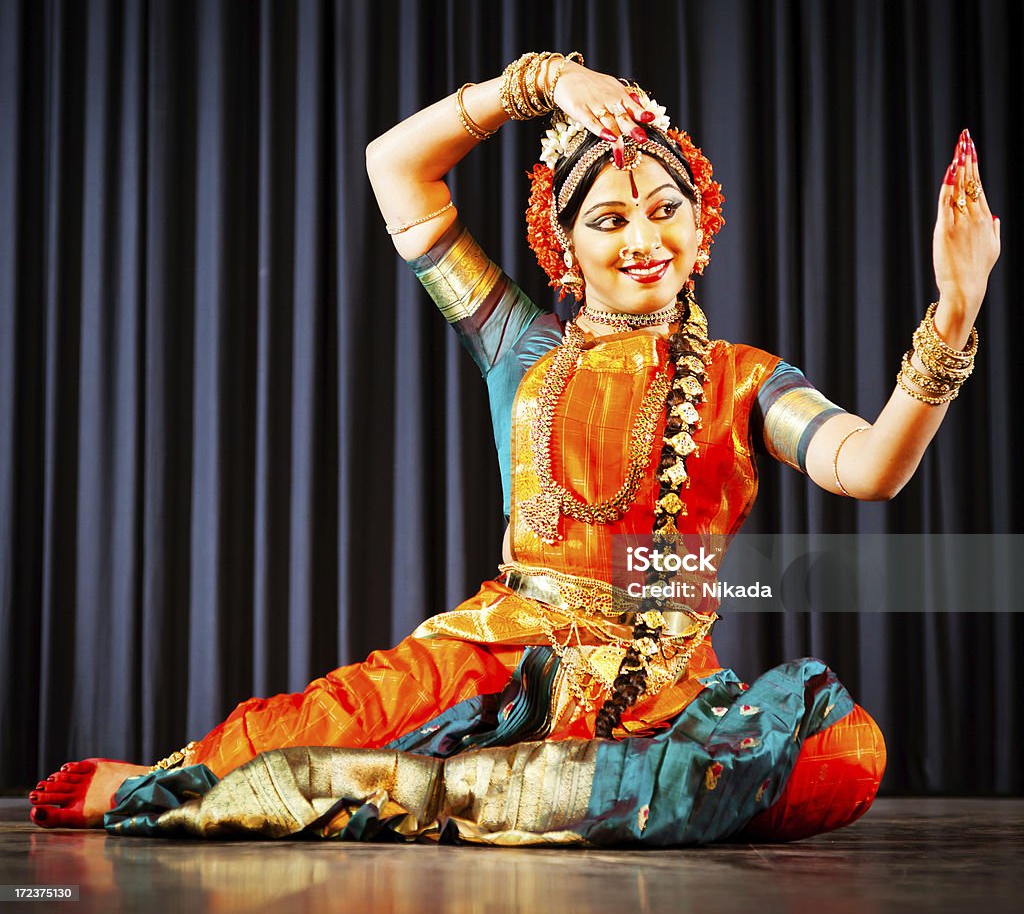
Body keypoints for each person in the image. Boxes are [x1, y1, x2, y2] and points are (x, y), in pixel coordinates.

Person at [29, 53, 999, 844]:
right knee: (286, 738)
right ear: (563, 245)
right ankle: (468, 789)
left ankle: (480, 791)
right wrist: (536, 83)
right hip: (491, 653)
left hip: (653, 692)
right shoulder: (519, 343)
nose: (643, 238)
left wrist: (954, 314)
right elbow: (393, 166)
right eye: (609, 220)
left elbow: (869, 467)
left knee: (842, 754)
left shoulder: (746, 379)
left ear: (700, 222)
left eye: (664, 209)